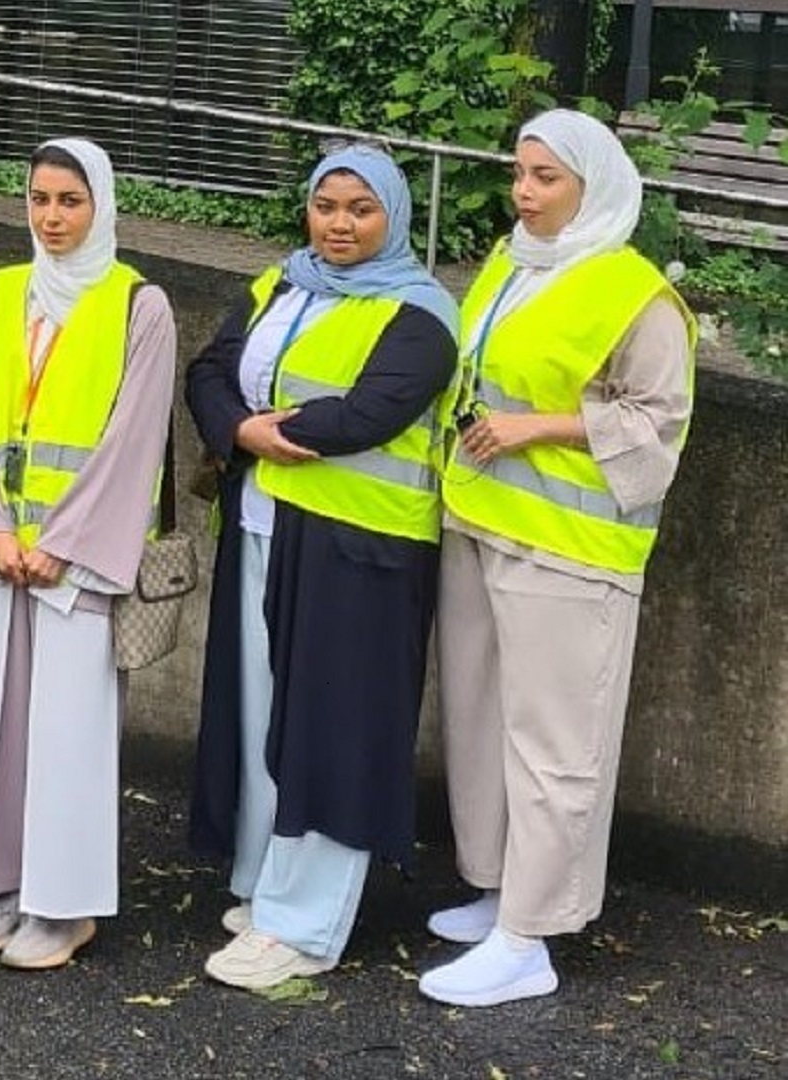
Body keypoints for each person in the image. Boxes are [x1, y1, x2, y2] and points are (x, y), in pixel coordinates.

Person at [419, 110, 695, 1008]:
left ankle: (528, 938)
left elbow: (659, 424)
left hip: (572, 552)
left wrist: (539, 426)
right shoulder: (515, 262)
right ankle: (499, 889)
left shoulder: (635, 292)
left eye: (546, 180)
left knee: (554, 743)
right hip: (483, 522)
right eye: (521, 172)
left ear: (593, 189)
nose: (523, 192)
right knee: (483, 717)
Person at [185, 145, 460, 991]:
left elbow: (376, 410)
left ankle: (303, 927)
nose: (339, 224)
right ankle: (268, 889)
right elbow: (208, 370)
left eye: (360, 210)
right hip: (269, 525)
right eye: (326, 205)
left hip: (363, 548)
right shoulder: (281, 282)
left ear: (394, 218)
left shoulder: (421, 312)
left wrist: (267, 433)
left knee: (333, 727)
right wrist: (237, 429)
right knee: (267, 714)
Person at [0, 138, 177, 970]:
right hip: (3, 552)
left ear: (101, 206)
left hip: (76, 563)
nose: (52, 217)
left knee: (68, 731)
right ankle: (5, 885)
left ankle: (64, 905)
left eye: (70, 201)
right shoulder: (4, 290)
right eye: (39, 198)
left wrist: (64, 545)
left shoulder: (139, 304)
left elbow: (134, 440)